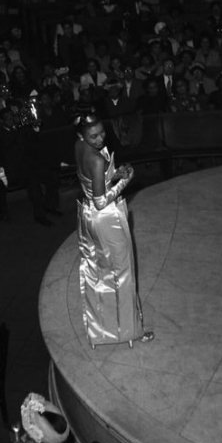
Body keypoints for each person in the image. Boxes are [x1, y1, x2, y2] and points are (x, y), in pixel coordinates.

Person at [74, 115, 153, 348]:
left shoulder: (78, 146)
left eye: (102, 133)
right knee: (123, 274)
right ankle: (130, 332)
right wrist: (125, 181)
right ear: (82, 135)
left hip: (87, 217)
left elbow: (92, 183)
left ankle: (102, 329)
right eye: (93, 136)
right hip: (105, 217)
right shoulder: (97, 159)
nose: (100, 139)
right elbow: (101, 201)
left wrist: (114, 174)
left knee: (98, 272)